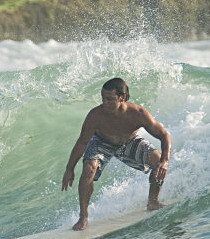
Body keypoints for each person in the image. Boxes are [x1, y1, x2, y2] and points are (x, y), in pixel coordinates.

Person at [61, 77, 171, 230]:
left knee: (158, 161)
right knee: (88, 169)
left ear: (123, 97)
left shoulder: (138, 113)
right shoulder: (95, 116)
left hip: (129, 142)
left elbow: (164, 135)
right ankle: (83, 217)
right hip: (101, 142)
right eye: (103, 99)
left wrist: (164, 161)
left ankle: (153, 202)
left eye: (110, 99)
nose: (105, 103)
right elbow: (82, 143)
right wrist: (69, 168)